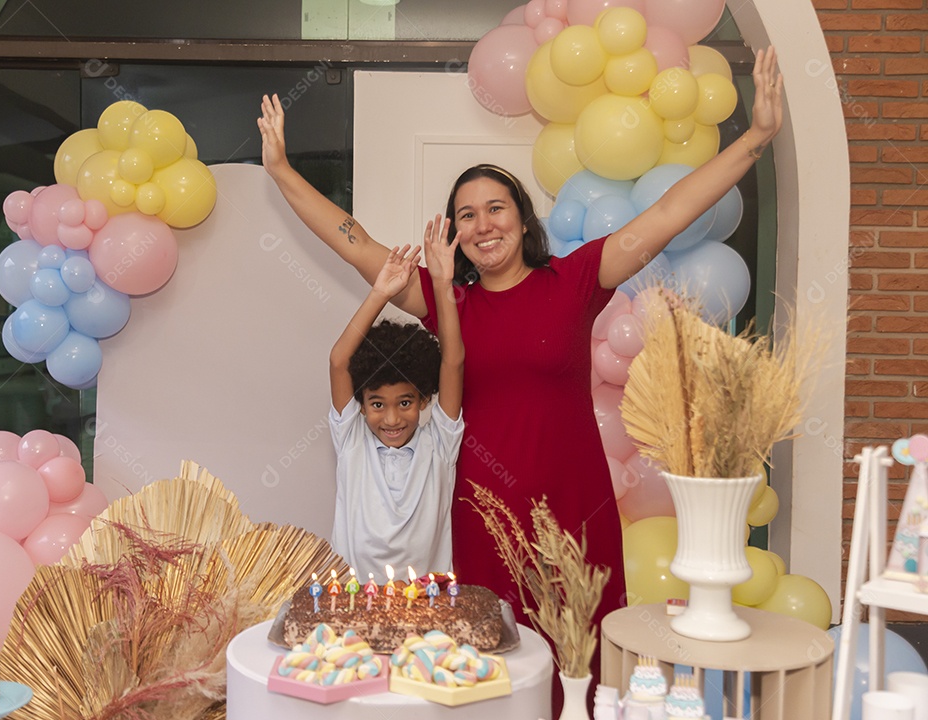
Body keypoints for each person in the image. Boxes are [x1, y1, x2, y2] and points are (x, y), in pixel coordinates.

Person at [261, 47, 783, 679]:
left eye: (496, 208)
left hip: (574, 503)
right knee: (489, 668)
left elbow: (668, 214)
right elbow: (357, 244)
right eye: (466, 215)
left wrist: (755, 138)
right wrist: (284, 171)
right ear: (453, 232)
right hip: (482, 515)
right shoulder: (445, 301)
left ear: (522, 217)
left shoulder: (577, 278)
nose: (483, 225)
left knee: (577, 660)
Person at [327, 233, 464, 583]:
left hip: (425, 612)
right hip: (353, 606)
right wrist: (380, 293)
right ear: (360, 404)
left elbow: (452, 361)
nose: (391, 419)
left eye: (404, 403)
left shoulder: (440, 445)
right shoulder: (351, 441)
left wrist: (442, 284)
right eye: (376, 404)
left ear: (423, 399)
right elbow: (339, 360)